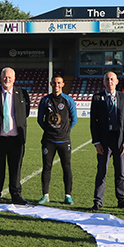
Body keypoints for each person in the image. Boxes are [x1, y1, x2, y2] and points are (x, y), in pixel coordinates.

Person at [0, 67, 30, 205]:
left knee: (16, 168)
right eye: (5, 77)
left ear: (14, 78)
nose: (7, 79)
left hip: (16, 139)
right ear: (1, 77)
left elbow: (24, 113)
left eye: (10, 77)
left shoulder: (22, 93)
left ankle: (16, 195)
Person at [89, 71, 124, 211]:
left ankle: (122, 200)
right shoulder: (97, 98)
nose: (109, 82)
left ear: (117, 81)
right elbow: (93, 122)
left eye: (112, 79)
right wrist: (97, 142)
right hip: (104, 140)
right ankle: (97, 201)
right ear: (104, 82)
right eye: (107, 79)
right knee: (101, 171)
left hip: (119, 140)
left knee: (120, 172)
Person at [37, 73, 77, 205]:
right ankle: (45, 195)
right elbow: (40, 120)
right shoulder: (45, 100)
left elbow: (74, 120)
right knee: (46, 167)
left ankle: (68, 195)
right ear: (51, 84)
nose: (56, 85)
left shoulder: (68, 100)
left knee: (66, 167)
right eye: (54, 83)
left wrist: (64, 131)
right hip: (48, 141)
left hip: (64, 140)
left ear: (63, 85)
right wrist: (50, 130)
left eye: (59, 83)